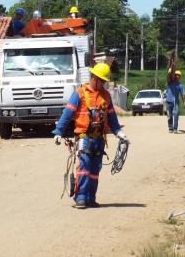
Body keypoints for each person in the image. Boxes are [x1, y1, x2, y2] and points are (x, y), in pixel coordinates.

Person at [52, 63, 128, 209]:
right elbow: (67, 114)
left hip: (99, 139)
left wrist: (119, 133)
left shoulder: (105, 96)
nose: (104, 83)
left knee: (95, 170)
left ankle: (90, 198)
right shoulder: (80, 93)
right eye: (102, 80)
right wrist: (58, 132)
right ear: (94, 78)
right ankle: (80, 198)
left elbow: (111, 117)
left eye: (105, 81)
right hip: (84, 137)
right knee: (84, 166)